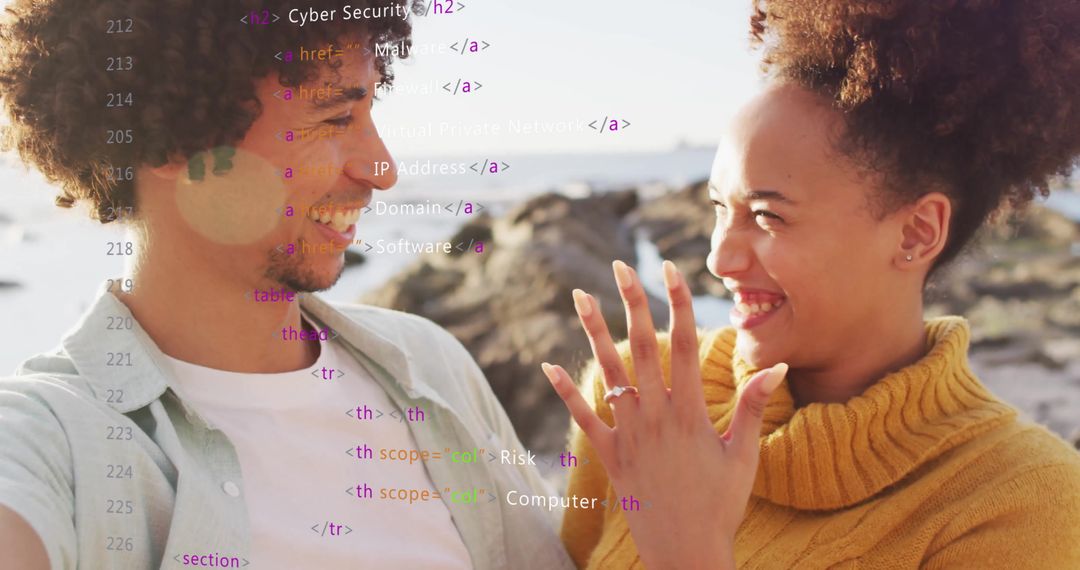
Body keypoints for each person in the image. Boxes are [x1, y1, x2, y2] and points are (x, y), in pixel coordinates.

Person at [0, 1, 573, 568]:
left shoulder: (429, 362)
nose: (383, 169)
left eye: (370, 112)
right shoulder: (46, 442)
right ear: (174, 138)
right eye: (333, 118)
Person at [542, 0, 1080, 568]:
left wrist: (686, 550)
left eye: (769, 217)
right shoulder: (637, 400)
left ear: (917, 234)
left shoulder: (1027, 505)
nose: (719, 258)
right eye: (720, 208)